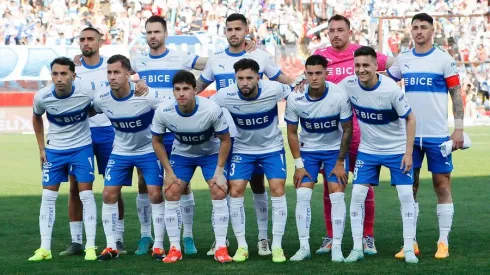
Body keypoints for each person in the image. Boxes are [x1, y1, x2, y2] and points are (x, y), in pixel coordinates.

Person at [130, 15, 256, 255]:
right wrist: (80, 61)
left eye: (157, 31)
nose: (153, 36)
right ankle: (149, 237)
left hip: (190, 128)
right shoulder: (139, 59)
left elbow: (211, 63)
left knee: (188, 187)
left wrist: (240, 50)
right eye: (149, 32)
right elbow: (118, 73)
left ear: (165, 33)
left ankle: (188, 238)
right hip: (159, 123)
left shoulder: (180, 57)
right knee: (148, 183)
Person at [196, 13, 294, 256]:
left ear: (246, 30)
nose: (233, 33)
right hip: (228, 137)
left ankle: (263, 239)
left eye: (238, 28)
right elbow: (199, 86)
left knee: (259, 185)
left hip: (261, 138)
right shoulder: (216, 59)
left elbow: (282, 80)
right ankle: (222, 240)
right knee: (225, 187)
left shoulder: (260, 56)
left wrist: (302, 83)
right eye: (229, 29)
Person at [311, 14, 395, 255]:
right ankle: (331, 236)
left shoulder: (363, 54)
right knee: (330, 187)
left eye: (340, 30)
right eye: (331, 30)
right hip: (332, 136)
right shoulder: (321, 57)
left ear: (350, 32)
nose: (336, 34)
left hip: (362, 134)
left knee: (364, 185)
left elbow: (396, 65)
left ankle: (367, 236)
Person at [386, 13, 464, 260]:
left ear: (432, 30)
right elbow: (386, 83)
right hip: (409, 137)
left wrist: (459, 129)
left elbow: (456, 94)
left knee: (442, 186)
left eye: (423, 27)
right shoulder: (403, 59)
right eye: (415, 27)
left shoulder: (444, 59)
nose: (418, 31)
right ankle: (411, 242)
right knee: (410, 188)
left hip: (437, 136)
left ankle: (443, 241)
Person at [341, 46, 418, 264]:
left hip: (396, 150)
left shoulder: (391, 90)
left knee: (405, 196)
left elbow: (411, 119)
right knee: (356, 195)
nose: (361, 69)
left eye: (366, 65)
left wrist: (408, 152)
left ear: (377, 66)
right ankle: (357, 248)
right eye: (357, 65)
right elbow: (328, 91)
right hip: (368, 150)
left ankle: (409, 247)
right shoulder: (348, 85)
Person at [213, 58, 291, 263]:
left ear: (258, 77)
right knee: (236, 189)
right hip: (242, 149)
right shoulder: (225, 95)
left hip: (272, 148)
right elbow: (206, 108)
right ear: (235, 79)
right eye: (240, 78)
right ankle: (242, 246)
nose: (245, 82)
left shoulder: (274, 89)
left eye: (249, 78)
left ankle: (276, 245)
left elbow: (296, 90)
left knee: (277, 188)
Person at [151, 70, 233, 263]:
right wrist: (168, 172)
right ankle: (174, 249)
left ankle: (221, 247)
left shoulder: (211, 109)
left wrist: (220, 171)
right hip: (182, 155)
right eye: (177, 89)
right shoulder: (164, 111)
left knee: (219, 190)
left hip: (210, 154)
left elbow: (226, 140)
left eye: (186, 89)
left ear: (195, 90)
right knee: (171, 191)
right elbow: (156, 141)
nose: (181, 94)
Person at [59, 27, 127, 257]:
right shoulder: (73, 69)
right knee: (75, 188)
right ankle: (77, 241)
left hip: (109, 132)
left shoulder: (111, 66)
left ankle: (117, 239)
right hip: (81, 135)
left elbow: (134, 79)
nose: (86, 43)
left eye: (90, 39)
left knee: (113, 187)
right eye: (82, 39)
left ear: (101, 42)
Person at [93, 55, 167, 261]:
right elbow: (89, 110)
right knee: (108, 194)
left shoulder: (147, 95)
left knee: (154, 194)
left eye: (116, 72)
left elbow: (169, 110)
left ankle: (159, 246)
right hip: (120, 151)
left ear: (128, 74)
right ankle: (111, 246)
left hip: (147, 150)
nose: (112, 77)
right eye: (109, 72)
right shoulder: (102, 98)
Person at [285, 55, 353, 262]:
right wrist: (298, 165)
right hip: (309, 152)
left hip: (334, 151)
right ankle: (304, 247)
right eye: (310, 73)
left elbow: (348, 129)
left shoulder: (339, 95)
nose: (314, 78)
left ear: (326, 73)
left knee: (337, 195)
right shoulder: (295, 97)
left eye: (318, 73)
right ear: (305, 74)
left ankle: (337, 248)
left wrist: (341, 162)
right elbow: (291, 132)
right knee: (303, 196)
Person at [30, 57, 98, 261]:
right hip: (55, 150)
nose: (59, 78)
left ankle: (90, 247)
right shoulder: (42, 96)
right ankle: (44, 249)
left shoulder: (85, 93)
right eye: (55, 74)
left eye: (64, 74)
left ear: (73, 75)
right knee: (48, 197)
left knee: (86, 195)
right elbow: (36, 117)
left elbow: (98, 106)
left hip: (81, 149)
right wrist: (42, 148)